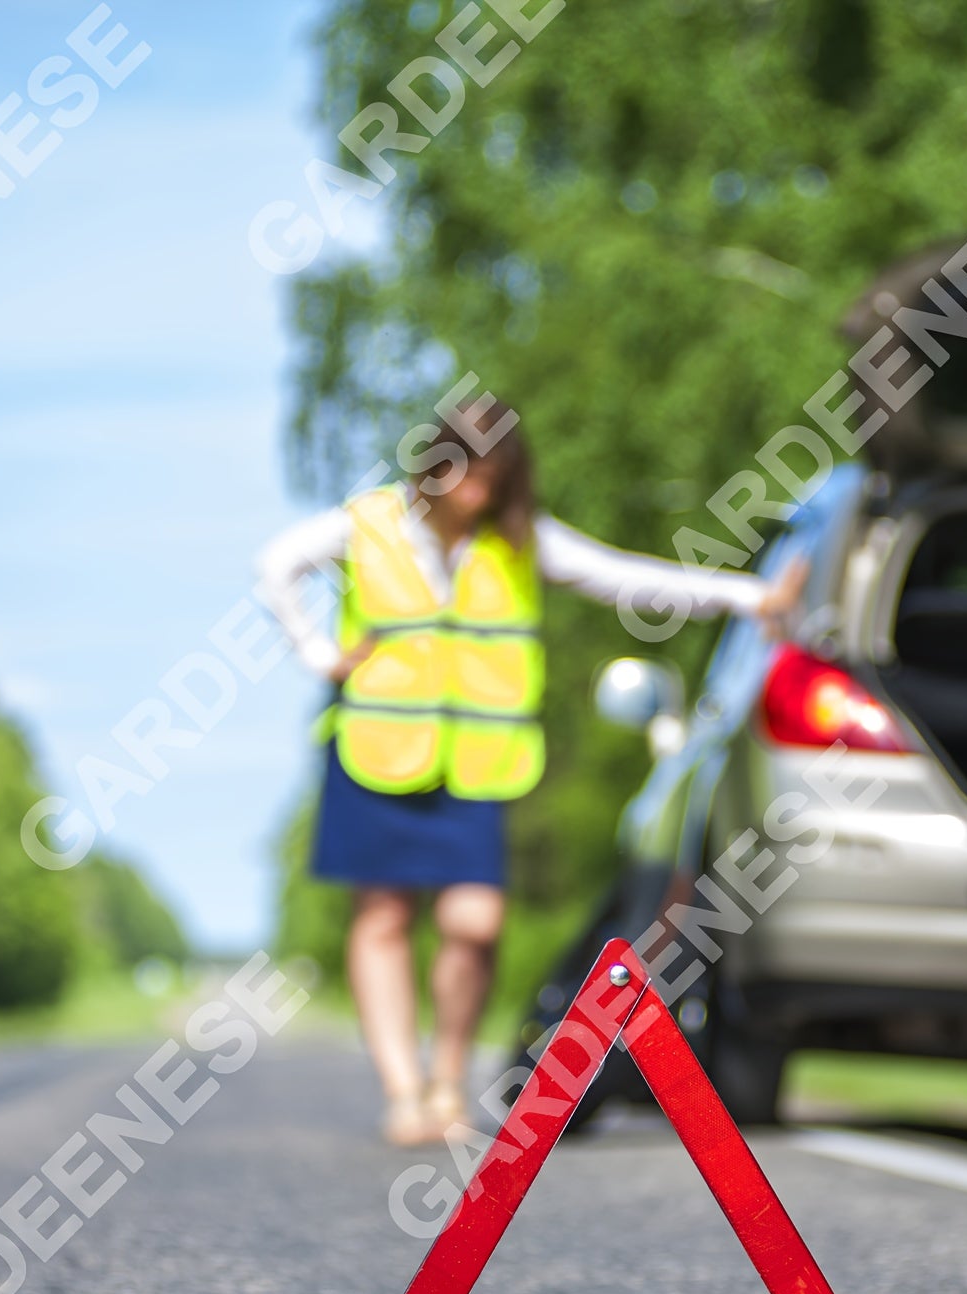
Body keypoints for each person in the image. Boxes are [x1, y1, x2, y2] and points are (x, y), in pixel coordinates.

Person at [257, 399, 804, 1145]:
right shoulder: (370, 524)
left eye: (492, 480)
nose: (476, 494)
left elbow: (626, 579)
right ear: (434, 464)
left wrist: (749, 598)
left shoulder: (519, 543)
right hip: (375, 752)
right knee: (382, 917)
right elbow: (278, 563)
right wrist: (318, 653)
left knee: (472, 922)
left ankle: (447, 1076)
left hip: (477, 765)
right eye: (465, 476)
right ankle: (404, 1092)